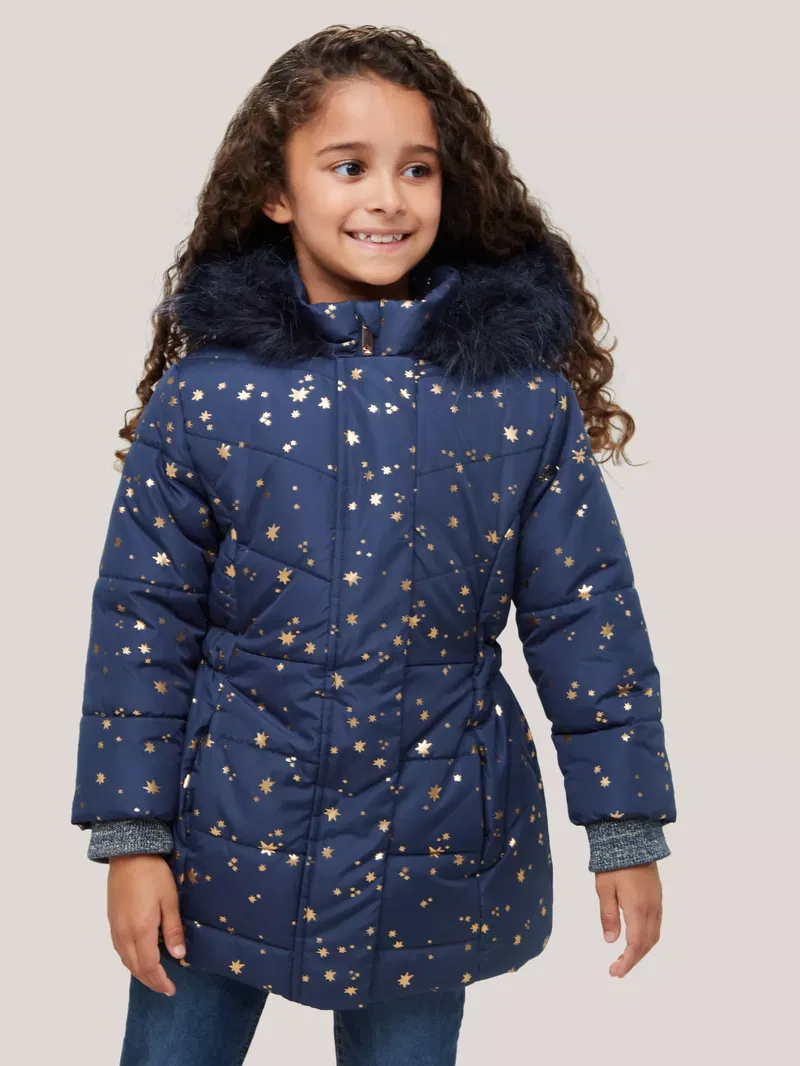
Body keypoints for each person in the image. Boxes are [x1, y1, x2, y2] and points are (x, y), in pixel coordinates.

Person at [71, 23, 676, 1066]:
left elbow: (584, 613)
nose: (387, 198)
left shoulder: (515, 400)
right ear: (276, 191)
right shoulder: (208, 398)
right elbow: (144, 624)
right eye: (347, 166)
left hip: (433, 843)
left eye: (417, 169)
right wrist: (132, 837)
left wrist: (621, 824)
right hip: (226, 840)